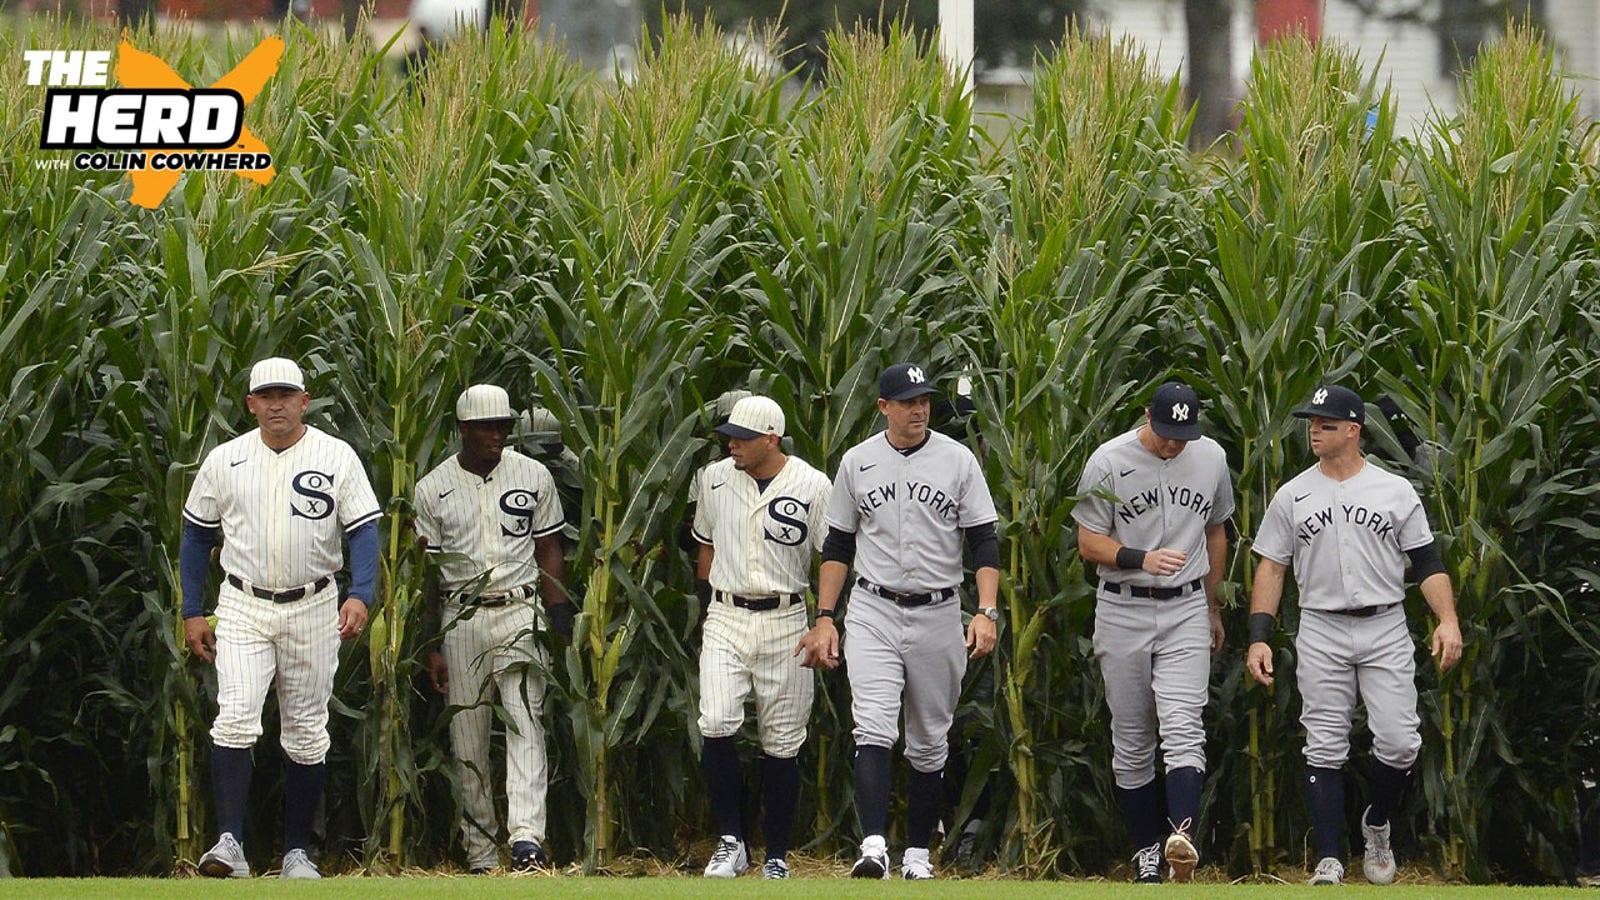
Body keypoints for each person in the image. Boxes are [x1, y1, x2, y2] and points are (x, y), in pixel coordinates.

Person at [1246, 384, 1463, 886]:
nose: (1314, 431)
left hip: (1384, 622)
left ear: (1353, 430)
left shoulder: (1393, 489)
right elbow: (1272, 568)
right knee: (1323, 745)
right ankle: (1328, 858)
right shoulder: (1293, 494)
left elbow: (1426, 561)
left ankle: (1378, 824)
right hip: (1320, 625)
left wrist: (1447, 619)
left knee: (1401, 743)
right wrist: (1260, 635)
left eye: (1325, 423)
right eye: (1311, 422)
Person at [796, 362, 1001, 881]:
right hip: (873, 609)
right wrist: (825, 617)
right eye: (907, 401)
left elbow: (983, 540)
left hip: (937, 611)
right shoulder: (857, 461)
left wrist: (985, 610)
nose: (919, 408)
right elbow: (839, 543)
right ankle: (872, 848)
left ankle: (916, 855)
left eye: (925, 399)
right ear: (883, 407)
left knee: (931, 738)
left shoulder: (957, 460)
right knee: (873, 726)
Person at [181, 357, 381, 879]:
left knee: (306, 730)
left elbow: (362, 529)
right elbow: (197, 534)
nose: (276, 404)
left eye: (286, 395)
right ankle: (229, 845)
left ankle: (297, 853)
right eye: (265, 396)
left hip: (314, 604)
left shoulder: (336, 456)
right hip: (243, 603)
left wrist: (361, 592)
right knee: (236, 716)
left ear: (303, 401)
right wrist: (191, 610)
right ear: (250, 404)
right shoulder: (226, 460)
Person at [1073, 381, 1234, 883]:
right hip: (1123, 606)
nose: (1173, 443)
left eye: (1183, 434)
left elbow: (1216, 530)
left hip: (1185, 605)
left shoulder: (1210, 457)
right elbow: (1087, 541)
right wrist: (1141, 558)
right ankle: (1146, 852)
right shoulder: (1108, 460)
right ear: (1147, 417)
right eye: (1166, 433)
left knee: (1184, 723)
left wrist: (1212, 604)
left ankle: (1179, 841)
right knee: (1133, 737)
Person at [416, 384, 573, 873]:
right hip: (461, 617)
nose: (498, 434)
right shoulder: (433, 488)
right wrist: (432, 644)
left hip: (520, 610)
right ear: (463, 428)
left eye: (504, 426)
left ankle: (527, 841)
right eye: (487, 426)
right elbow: (427, 574)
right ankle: (482, 849)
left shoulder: (534, 474)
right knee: (468, 735)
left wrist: (560, 620)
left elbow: (549, 550)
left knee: (527, 723)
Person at [690, 395, 832, 880]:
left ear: (771, 437)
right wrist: (707, 607)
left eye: (743, 437)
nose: (733, 444)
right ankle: (731, 841)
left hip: (786, 619)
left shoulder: (813, 485)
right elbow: (704, 549)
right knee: (716, 720)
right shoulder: (713, 478)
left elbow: (831, 556)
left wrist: (825, 622)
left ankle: (776, 856)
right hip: (726, 614)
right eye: (728, 435)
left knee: (782, 742)